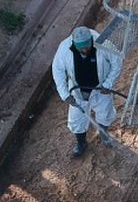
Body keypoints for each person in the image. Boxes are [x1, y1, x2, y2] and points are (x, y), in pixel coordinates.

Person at [51, 26, 122, 158]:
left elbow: (116, 61)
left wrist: (108, 84)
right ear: (74, 44)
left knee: (105, 113)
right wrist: (65, 94)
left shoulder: (103, 42)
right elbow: (57, 69)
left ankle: (103, 134)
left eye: (87, 47)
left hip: (100, 89)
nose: (85, 50)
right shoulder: (64, 48)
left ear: (91, 41)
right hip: (77, 92)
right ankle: (81, 143)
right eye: (81, 48)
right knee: (76, 120)